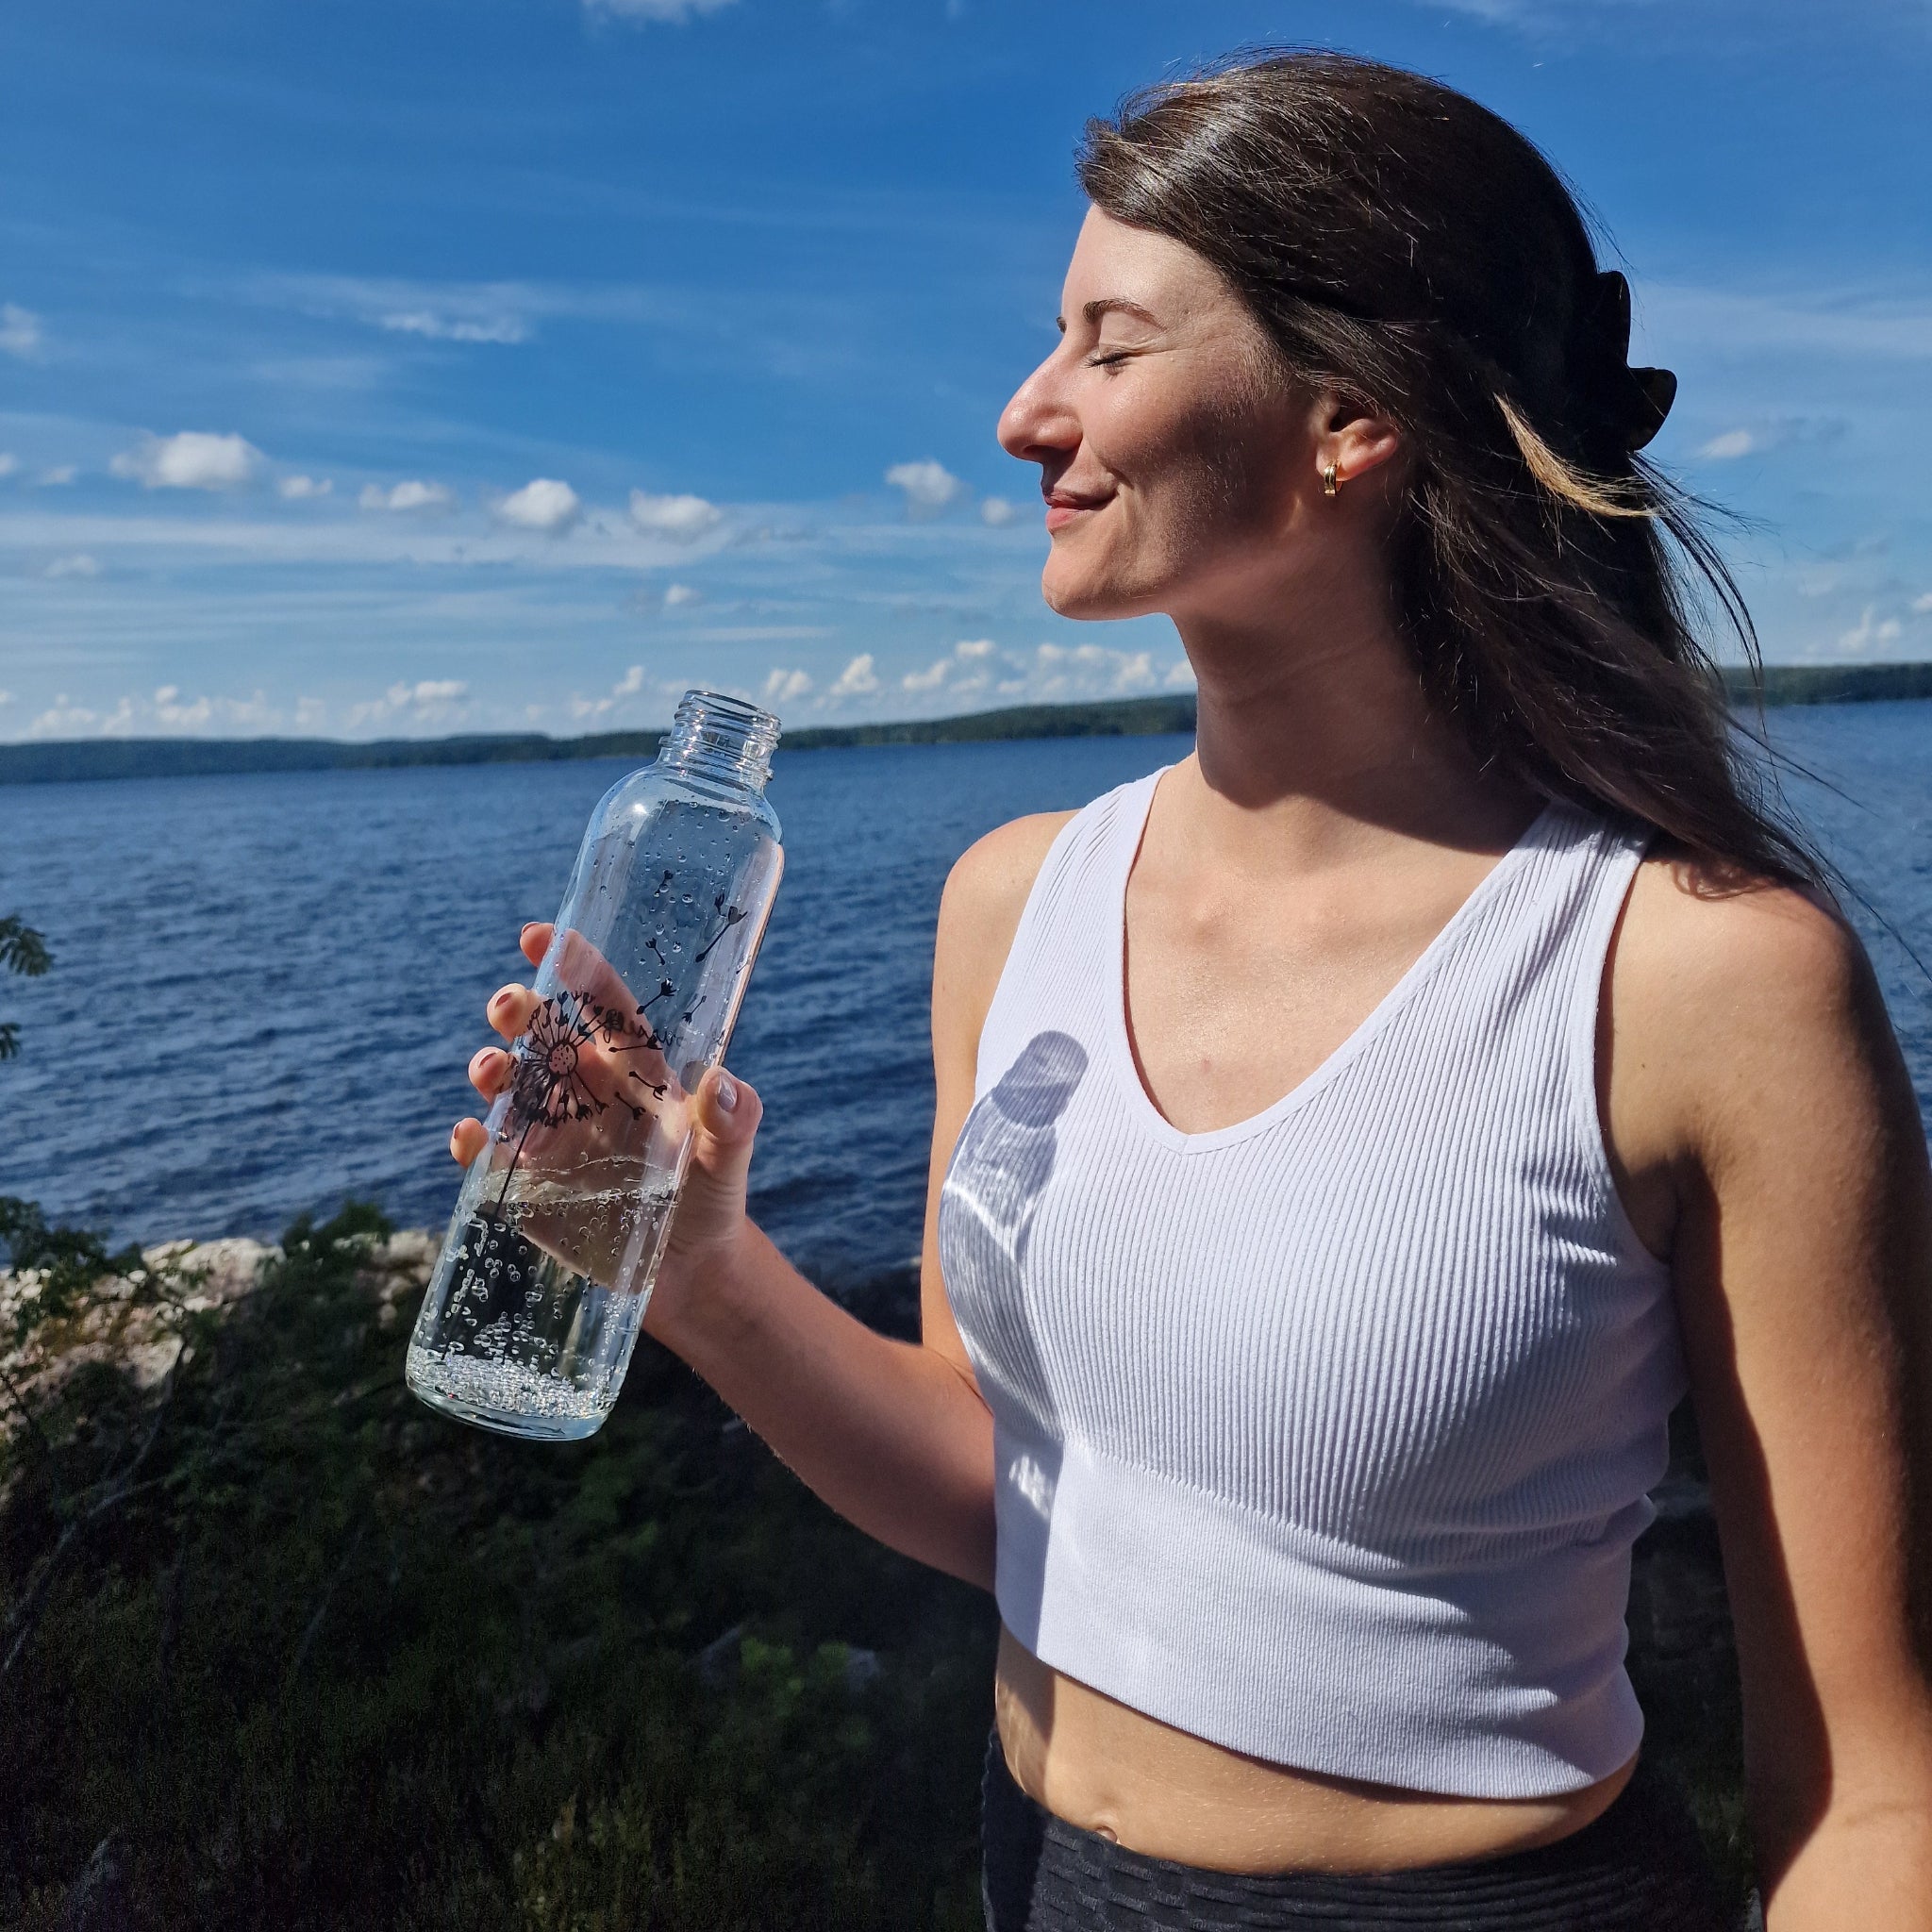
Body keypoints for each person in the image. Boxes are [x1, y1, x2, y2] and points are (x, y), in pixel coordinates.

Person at [452, 51, 1932, 1932]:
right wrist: (702, 1277)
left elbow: (1871, 1791)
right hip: (1042, 1868)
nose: (1021, 414)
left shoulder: (1700, 977)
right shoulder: (1015, 900)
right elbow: (1021, 1497)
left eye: (1106, 343)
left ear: (1347, 417)